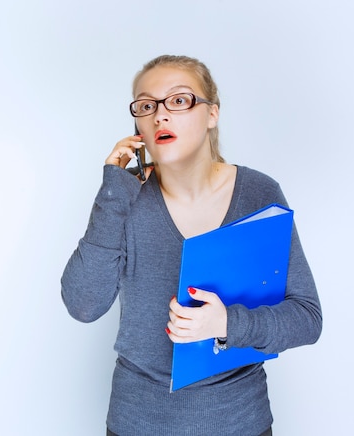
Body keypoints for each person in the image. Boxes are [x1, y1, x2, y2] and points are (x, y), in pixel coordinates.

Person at [61, 54, 322, 436]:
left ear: (212, 114)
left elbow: (306, 319)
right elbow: (82, 305)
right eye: (147, 105)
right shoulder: (124, 199)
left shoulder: (259, 194)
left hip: (239, 423)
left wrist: (226, 323)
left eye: (179, 100)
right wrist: (113, 193)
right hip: (137, 424)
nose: (160, 116)